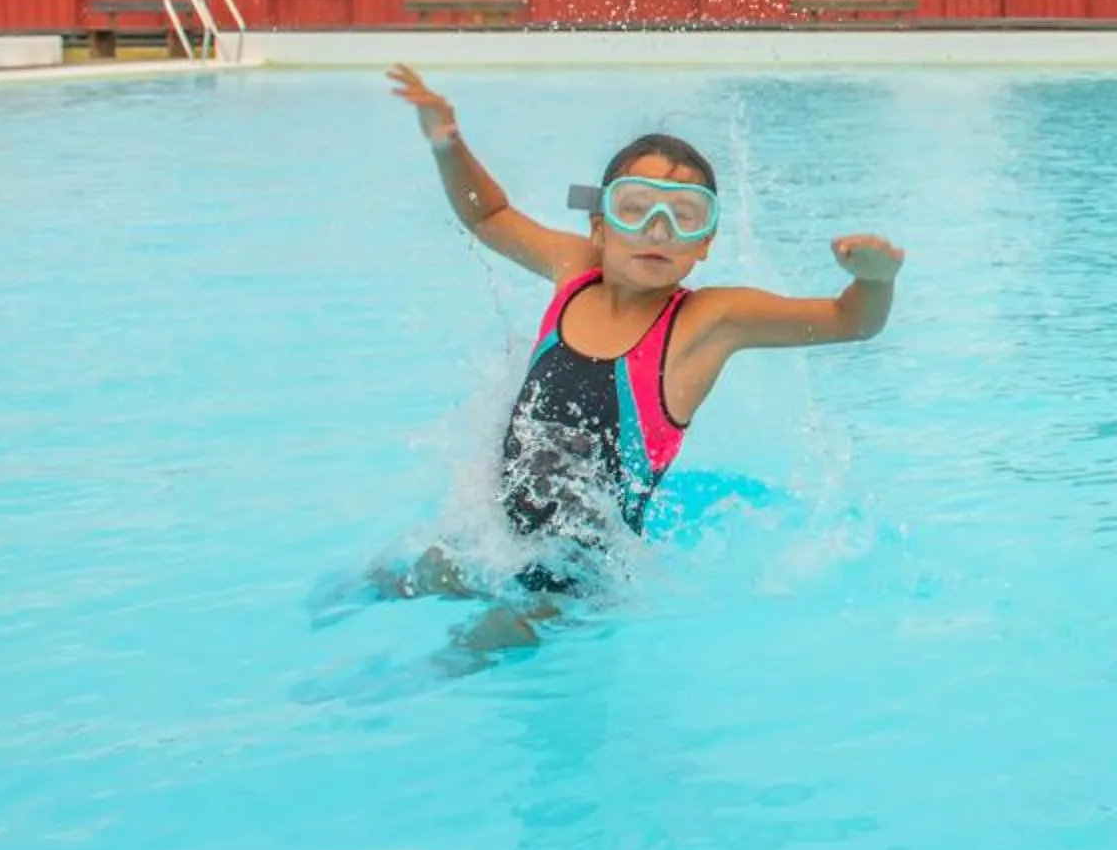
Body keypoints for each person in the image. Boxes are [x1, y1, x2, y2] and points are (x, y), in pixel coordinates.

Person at [349, 62, 905, 655]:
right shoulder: (575, 271)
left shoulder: (706, 323)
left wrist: (875, 280)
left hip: (578, 587)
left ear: (705, 242)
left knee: (462, 655)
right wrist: (447, 142)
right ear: (601, 224)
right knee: (381, 584)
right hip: (501, 545)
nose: (658, 231)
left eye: (683, 217)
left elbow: (851, 321)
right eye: (637, 209)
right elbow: (487, 216)